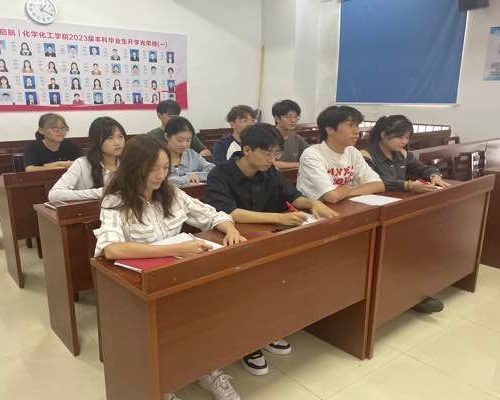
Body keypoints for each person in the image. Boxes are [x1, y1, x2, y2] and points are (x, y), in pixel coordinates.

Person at [93, 135, 245, 400]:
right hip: (142, 285)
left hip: (180, 274)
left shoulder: (171, 193)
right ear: (133, 167)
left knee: (205, 318)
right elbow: (112, 249)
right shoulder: (116, 201)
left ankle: (208, 369)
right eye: (152, 169)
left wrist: (230, 230)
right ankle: (163, 385)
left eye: (165, 167)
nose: (160, 175)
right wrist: (175, 249)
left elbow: (212, 214)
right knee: (162, 335)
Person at [206, 123, 339, 377]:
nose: (272, 159)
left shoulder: (270, 172)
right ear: (247, 150)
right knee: (248, 294)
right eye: (267, 153)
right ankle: (248, 345)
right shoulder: (220, 174)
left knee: (278, 285)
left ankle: (267, 331)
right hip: (236, 245)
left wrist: (313, 204)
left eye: (276, 153)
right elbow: (229, 212)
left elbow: (292, 195)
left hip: (269, 242)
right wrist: (278, 218)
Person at [360, 114, 449, 313]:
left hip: (400, 208)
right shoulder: (365, 155)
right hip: (376, 210)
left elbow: (423, 168)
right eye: (400, 137)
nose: (404, 142)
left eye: (407, 137)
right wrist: (408, 185)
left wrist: (434, 175)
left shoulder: (403, 154)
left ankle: (415, 292)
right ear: (384, 134)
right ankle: (400, 294)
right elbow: (377, 182)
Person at [297, 105, 385, 204]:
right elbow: (332, 197)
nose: (357, 131)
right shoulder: (312, 154)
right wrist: (352, 186)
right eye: (350, 125)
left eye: (357, 125)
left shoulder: (352, 151)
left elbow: (378, 185)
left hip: (344, 204)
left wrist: (345, 191)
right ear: (330, 129)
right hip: (315, 209)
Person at [49, 117, 126, 201]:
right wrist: (102, 192)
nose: (117, 142)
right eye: (110, 138)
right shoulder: (82, 164)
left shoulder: (128, 162)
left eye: (120, 136)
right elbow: (54, 195)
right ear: (96, 140)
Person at [165, 116, 215, 187]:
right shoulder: (159, 157)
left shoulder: (192, 154)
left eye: (188, 140)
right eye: (180, 140)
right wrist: (186, 178)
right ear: (167, 136)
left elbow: (214, 171)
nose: (184, 145)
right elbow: (162, 181)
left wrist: (194, 175)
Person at [272, 100, 309, 169]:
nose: (293, 120)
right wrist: (299, 165)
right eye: (288, 117)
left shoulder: (296, 138)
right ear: (277, 118)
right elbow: (270, 163)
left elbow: (311, 153)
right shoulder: (268, 136)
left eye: (296, 117)